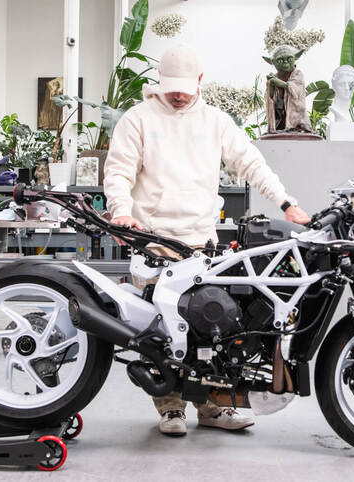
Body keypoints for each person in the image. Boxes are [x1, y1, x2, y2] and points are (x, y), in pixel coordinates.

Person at [103, 44, 311, 436]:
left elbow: (250, 162)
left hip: (201, 241)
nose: (178, 96)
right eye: (171, 88)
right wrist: (120, 211)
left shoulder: (215, 121)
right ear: (160, 81)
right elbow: (118, 171)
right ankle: (170, 408)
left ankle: (213, 406)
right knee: (162, 335)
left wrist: (286, 202)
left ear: (199, 81)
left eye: (185, 88)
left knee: (210, 326)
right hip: (154, 240)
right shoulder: (138, 119)